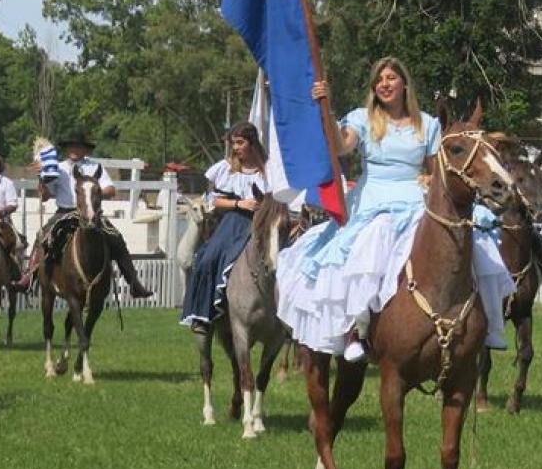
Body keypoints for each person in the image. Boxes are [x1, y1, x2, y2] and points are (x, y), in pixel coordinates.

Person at [276, 57, 513, 362]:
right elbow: (341, 146)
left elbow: (437, 169)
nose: (384, 84)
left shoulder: (427, 124)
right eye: (379, 80)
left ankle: (488, 322)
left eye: (390, 78)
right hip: (373, 198)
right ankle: (358, 328)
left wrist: (431, 178)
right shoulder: (363, 118)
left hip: (415, 197)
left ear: (404, 84)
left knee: (473, 236)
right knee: (374, 239)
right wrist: (327, 109)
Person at [19, 131, 153, 298]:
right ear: (66, 149)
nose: (74, 149)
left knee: (117, 238)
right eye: (71, 146)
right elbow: (45, 196)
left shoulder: (95, 167)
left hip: (92, 214)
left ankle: (134, 283)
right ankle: (28, 275)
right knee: (42, 236)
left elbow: (111, 190)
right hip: (64, 213)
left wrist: (93, 193)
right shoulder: (57, 168)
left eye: (78, 146)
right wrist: (41, 178)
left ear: (85, 150)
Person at [179, 122, 269, 333]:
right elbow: (215, 200)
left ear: (252, 143)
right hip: (234, 222)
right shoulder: (226, 168)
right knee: (207, 259)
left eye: (240, 142)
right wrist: (239, 204)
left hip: (263, 222)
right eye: (233, 143)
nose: (235, 147)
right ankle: (202, 315)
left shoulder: (269, 169)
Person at [0, 152, 25, 268]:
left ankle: (16, 271)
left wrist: (1, 212)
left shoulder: (6, 183)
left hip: (1, 222)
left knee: (17, 244)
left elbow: (13, 204)